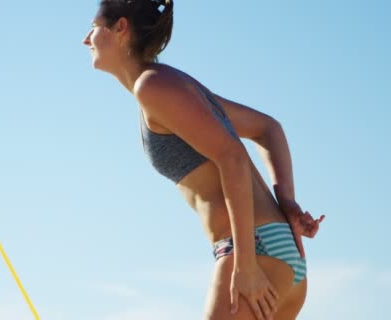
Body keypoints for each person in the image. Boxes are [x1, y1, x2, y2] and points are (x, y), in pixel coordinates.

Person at [82, 1, 325, 319]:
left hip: (254, 252)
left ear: (120, 28)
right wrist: (287, 202)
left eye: (95, 26)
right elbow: (268, 129)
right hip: (274, 250)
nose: (87, 38)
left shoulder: (152, 86)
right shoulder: (174, 85)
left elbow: (233, 157)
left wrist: (246, 265)